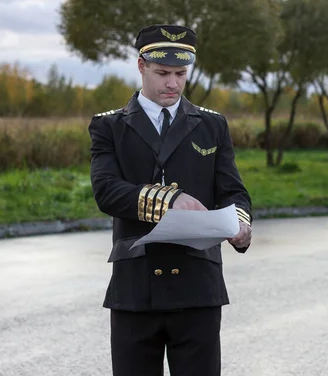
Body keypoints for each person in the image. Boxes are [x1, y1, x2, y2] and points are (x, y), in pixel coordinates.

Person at [88, 23, 253, 376]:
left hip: (198, 288)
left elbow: (233, 191)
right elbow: (106, 191)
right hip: (136, 288)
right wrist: (169, 200)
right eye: (163, 73)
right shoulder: (109, 127)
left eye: (180, 73)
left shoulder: (213, 125)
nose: (173, 84)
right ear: (141, 66)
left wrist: (241, 223)